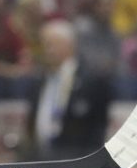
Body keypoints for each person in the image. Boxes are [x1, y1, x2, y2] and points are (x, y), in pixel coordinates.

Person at [25, 19, 113, 159]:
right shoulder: (39, 81)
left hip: (77, 164)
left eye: (50, 44)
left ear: (69, 45)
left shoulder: (92, 81)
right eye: (44, 45)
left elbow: (97, 127)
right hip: (42, 162)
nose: (47, 50)